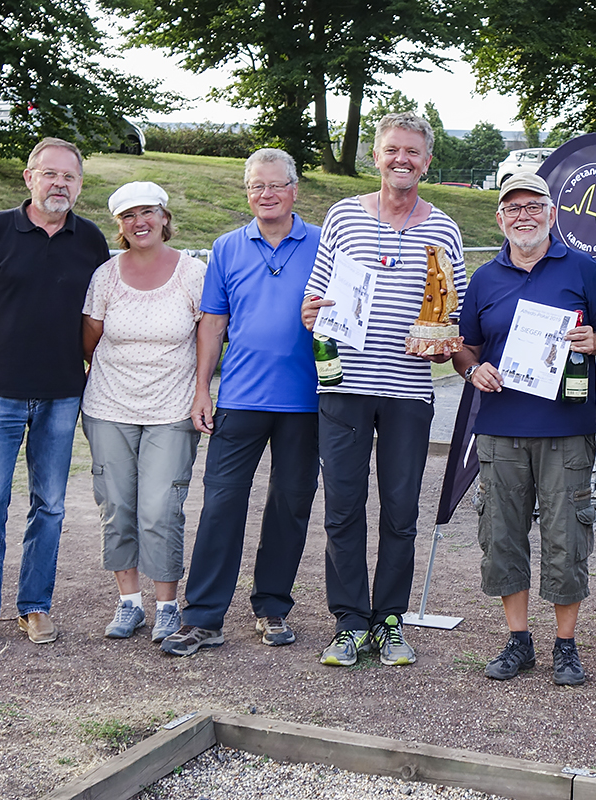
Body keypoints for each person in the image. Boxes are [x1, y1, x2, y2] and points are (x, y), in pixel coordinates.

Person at [301, 112, 467, 667]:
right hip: (343, 386)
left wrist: (442, 344)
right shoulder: (343, 216)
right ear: (375, 156)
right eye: (393, 149)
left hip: (407, 392)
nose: (402, 160)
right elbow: (316, 294)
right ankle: (350, 622)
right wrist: (309, 313)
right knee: (343, 507)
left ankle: (390, 620)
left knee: (400, 511)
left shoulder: (443, 229)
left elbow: (452, 313)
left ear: (427, 162)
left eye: (413, 152)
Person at [452, 173, 596, 686]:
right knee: (502, 536)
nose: (524, 216)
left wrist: (594, 341)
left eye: (533, 206)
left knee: (567, 537)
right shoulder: (484, 278)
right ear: (500, 218)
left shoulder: (583, 268)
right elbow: (466, 347)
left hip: (565, 427)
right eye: (513, 208)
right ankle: (518, 639)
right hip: (500, 427)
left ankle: (565, 644)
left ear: (551, 213)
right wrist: (471, 370)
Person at [160, 148, 322, 657]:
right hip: (241, 397)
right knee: (221, 505)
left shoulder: (326, 243)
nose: (266, 194)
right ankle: (203, 617)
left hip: (308, 401)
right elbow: (213, 323)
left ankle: (272, 606)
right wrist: (202, 389)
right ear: (247, 192)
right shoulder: (227, 247)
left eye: (276, 185)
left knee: (290, 506)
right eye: (257, 186)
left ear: (294, 190)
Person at [0, 137, 109, 651]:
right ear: (29, 178)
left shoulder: (91, 240)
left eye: (69, 177)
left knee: (51, 506)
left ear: (79, 185)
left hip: (62, 395)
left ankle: (35, 606)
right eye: (50, 174)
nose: (59, 184)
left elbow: (101, 314)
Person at [81, 181, 205, 644]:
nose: (140, 222)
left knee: (160, 509)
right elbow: (89, 340)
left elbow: (209, 337)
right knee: (116, 506)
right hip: (108, 406)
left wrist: (202, 391)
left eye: (148, 212)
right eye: (129, 216)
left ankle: (168, 606)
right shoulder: (106, 275)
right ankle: (129, 602)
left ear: (164, 217)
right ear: (120, 226)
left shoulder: (193, 273)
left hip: (172, 408)